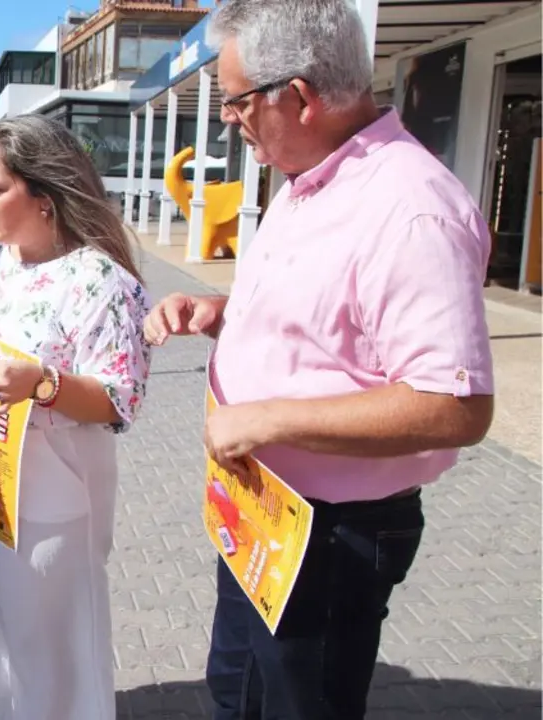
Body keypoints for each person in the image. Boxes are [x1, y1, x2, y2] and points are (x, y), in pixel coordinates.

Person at [144, 2, 495, 718]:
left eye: (238, 99)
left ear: (297, 97)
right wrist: (224, 317)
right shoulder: (308, 179)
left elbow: (455, 406)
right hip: (262, 514)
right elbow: (326, 326)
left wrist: (267, 419)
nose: (228, 119)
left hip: (331, 535)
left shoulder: (411, 209)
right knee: (236, 692)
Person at [0, 114, 152, 720]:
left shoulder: (100, 280)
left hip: (49, 501)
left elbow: (118, 400)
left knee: (45, 649)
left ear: (44, 196)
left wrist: (41, 386)